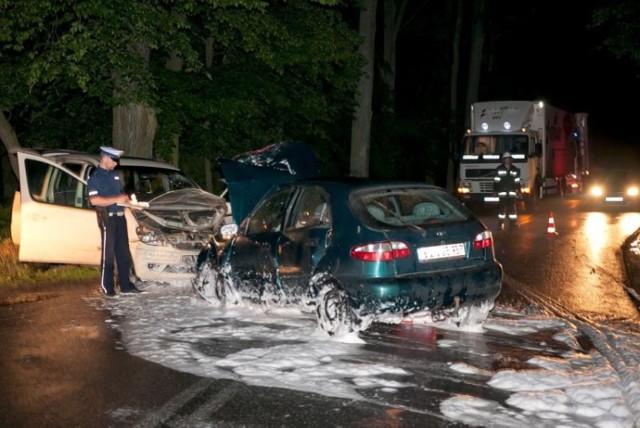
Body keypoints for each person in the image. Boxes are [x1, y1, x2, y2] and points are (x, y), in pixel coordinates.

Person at [87, 146, 143, 296]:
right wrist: (116, 199)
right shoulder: (95, 177)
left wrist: (128, 201)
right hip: (107, 218)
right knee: (108, 255)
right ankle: (108, 287)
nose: (116, 164)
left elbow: (119, 195)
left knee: (124, 253)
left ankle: (126, 285)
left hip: (120, 217)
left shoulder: (115, 175)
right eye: (114, 160)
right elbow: (94, 200)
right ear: (105, 158)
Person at [493, 152, 521, 230]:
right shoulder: (499, 168)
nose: (507, 160)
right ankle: (500, 224)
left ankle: (513, 224)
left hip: (511, 193)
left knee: (512, 210)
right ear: (504, 160)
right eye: (506, 159)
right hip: (502, 193)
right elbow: (496, 181)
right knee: (501, 210)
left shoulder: (514, 169)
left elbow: (517, 181)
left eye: (509, 159)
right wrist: (495, 191)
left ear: (510, 159)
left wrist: (519, 190)